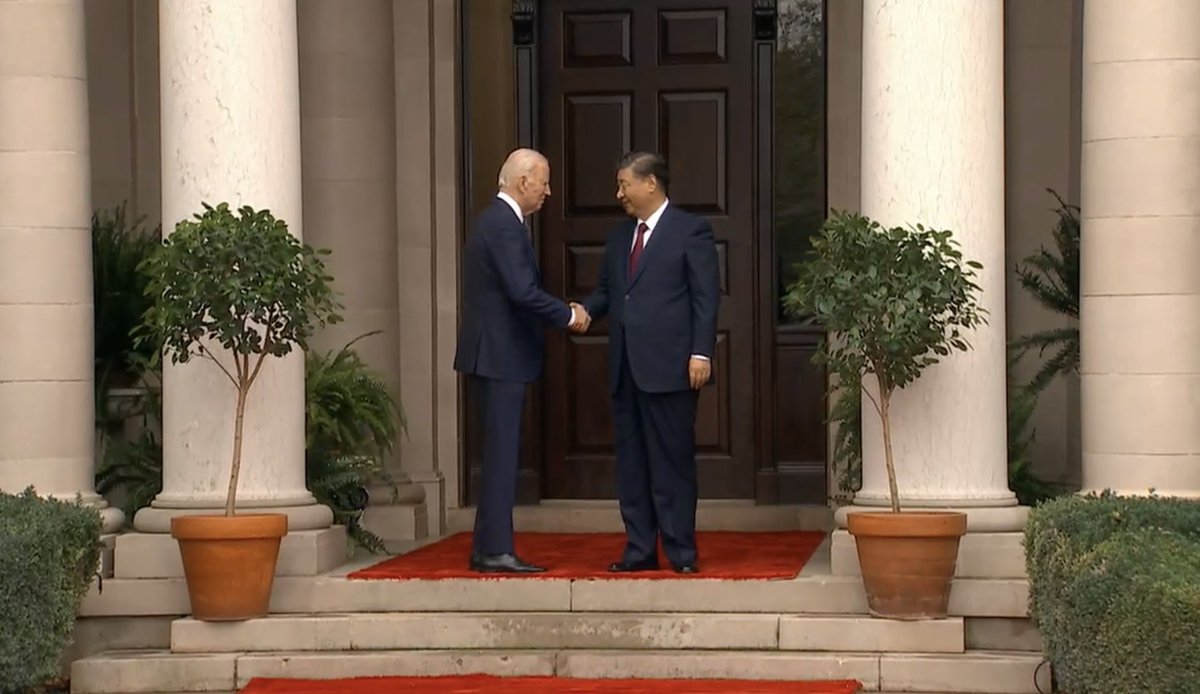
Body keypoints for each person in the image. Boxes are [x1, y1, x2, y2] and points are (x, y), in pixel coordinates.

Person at [574, 151, 720, 574]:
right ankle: (639, 549)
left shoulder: (691, 231)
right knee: (633, 465)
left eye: (624, 184)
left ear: (650, 183)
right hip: (626, 369)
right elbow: (608, 291)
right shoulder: (620, 237)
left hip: (672, 369)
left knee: (672, 463)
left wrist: (701, 352)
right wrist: (581, 311)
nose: (619, 193)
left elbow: (705, 297)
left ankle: (680, 552)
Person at [454, 148, 584, 573]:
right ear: (523, 181)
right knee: (501, 454)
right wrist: (567, 314)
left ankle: (489, 544)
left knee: (500, 454)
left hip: (495, 355)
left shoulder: (499, 221)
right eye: (543, 182)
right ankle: (494, 549)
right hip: (499, 356)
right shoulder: (504, 225)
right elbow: (521, 291)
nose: (548, 191)